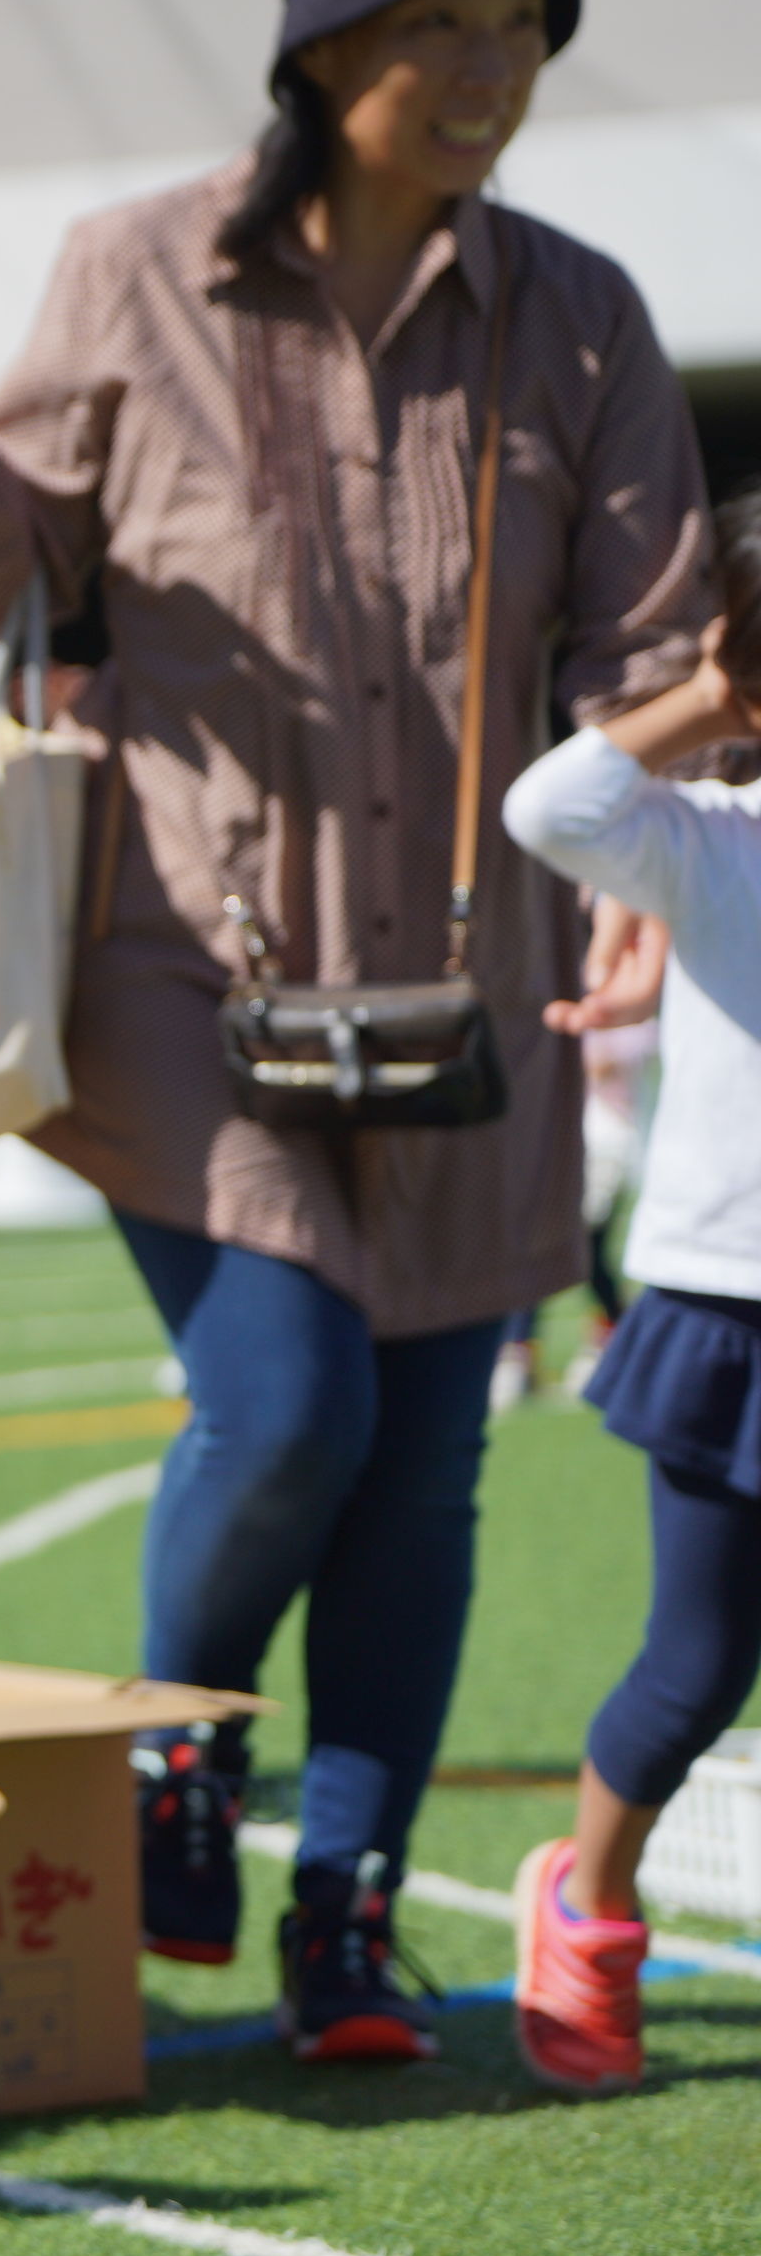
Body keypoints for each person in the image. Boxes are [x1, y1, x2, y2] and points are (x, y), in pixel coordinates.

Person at [0, 0, 715, 2060]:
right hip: (174, 956)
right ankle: (173, 1739)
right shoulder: (130, 271)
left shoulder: (577, 318)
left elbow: (647, 647)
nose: (487, 64)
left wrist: (654, 882)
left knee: (425, 1458)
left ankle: (339, 1907)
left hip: (465, 976)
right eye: (439, 20)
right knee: (283, 1389)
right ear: (321, 40)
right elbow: (8, 563)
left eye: (516, 23)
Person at [501, 532, 761, 2097]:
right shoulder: (713, 838)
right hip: (730, 1309)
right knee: (696, 1666)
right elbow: (554, 807)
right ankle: (588, 1902)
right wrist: (723, 684)